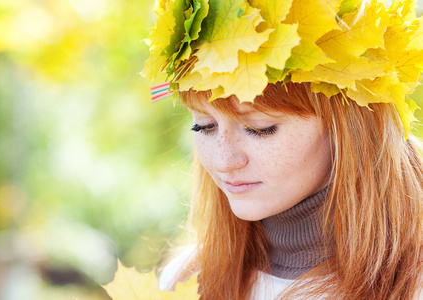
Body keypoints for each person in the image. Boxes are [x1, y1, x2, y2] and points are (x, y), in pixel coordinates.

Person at [142, 0, 423, 298]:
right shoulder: (185, 281)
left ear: (347, 127)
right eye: (204, 126)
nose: (224, 161)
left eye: (261, 128)